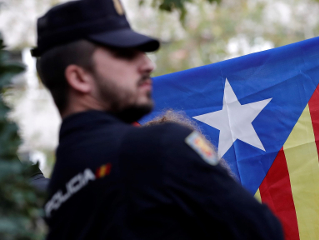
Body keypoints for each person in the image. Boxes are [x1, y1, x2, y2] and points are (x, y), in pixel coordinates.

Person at [32, 0, 283, 239]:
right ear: (79, 78)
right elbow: (263, 232)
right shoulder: (159, 146)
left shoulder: (48, 199)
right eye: (124, 54)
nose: (147, 64)